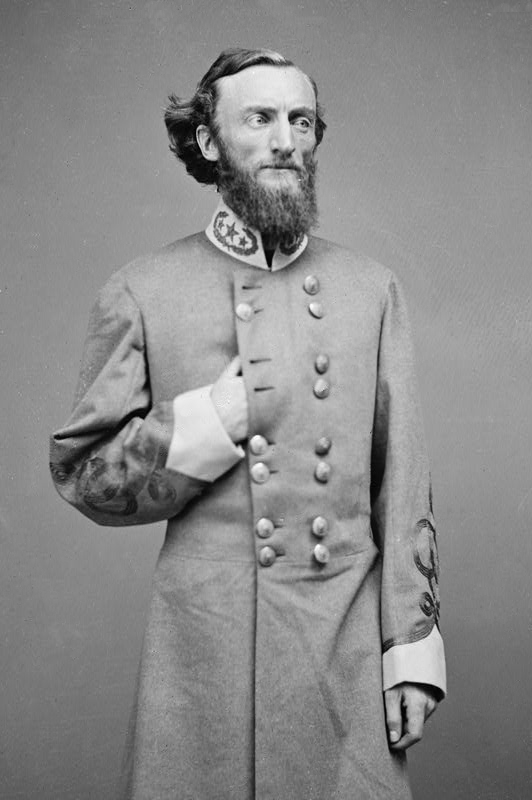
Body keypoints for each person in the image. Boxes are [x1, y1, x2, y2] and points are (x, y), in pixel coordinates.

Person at [50, 48, 446, 800]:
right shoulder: (142, 289)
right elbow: (82, 473)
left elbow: (407, 482)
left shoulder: (372, 290)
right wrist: (207, 423)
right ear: (209, 141)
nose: (284, 140)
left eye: (300, 120)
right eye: (259, 118)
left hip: (345, 648)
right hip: (206, 649)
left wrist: (411, 649)